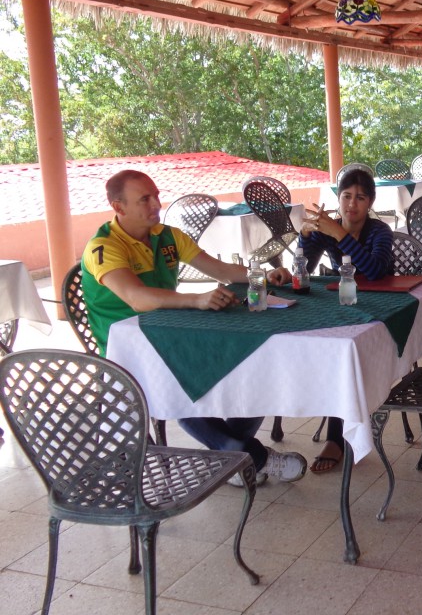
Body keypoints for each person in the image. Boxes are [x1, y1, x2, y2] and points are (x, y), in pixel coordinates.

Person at [81, 169, 307, 486]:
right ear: (119, 207)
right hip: (130, 351)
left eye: (156, 195)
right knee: (177, 379)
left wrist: (262, 276)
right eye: (144, 199)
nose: (155, 204)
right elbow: (136, 298)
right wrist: (195, 299)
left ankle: (229, 458)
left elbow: (220, 269)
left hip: (175, 331)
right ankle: (249, 455)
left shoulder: (166, 235)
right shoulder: (104, 246)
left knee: (250, 359)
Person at [299, 168, 395, 473]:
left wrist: (338, 234)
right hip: (343, 305)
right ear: (337, 198)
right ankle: (339, 435)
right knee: (331, 353)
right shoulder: (328, 229)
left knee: (346, 355)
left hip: (383, 310)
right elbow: (303, 268)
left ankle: (337, 438)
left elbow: (375, 270)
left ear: (370, 203)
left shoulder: (379, 231)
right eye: (346, 196)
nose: (352, 204)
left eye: (360, 198)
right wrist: (306, 238)